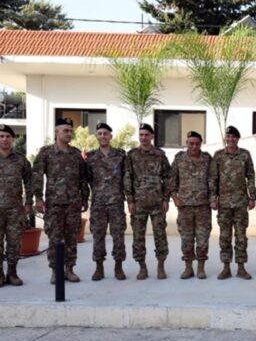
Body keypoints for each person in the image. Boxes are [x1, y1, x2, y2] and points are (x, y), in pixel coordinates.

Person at [33, 117, 89, 284]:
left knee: (72, 238)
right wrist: (38, 198)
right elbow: (37, 176)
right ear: (56, 132)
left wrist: (85, 198)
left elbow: (82, 179)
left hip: (73, 204)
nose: (69, 134)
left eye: (70, 131)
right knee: (55, 238)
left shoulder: (76, 155)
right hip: (54, 204)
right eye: (65, 130)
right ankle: (56, 271)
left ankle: (69, 269)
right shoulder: (46, 153)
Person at [124, 123, 171, 280]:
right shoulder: (132, 155)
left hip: (157, 203)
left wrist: (166, 199)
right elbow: (128, 178)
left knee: (160, 236)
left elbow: (167, 178)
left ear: (152, 136)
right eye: (141, 135)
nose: (143, 138)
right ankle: (142, 267)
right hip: (139, 204)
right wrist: (130, 201)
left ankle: (161, 266)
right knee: (138, 237)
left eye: (146, 135)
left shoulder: (160, 155)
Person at [210, 125, 256, 280]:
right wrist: (213, 198)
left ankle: (241, 267)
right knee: (224, 237)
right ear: (225, 138)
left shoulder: (245, 155)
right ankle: (226, 267)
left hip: (240, 203)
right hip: (224, 204)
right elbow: (213, 179)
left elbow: (251, 176)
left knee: (241, 236)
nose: (230, 139)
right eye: (228, 136)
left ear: (238, 139)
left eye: (233, 137)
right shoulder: (218, 156)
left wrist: (252, 197)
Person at [85, 122, 127, 281]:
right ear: (96, 136)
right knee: (98, 235)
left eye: (106, 133)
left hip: (116, 202)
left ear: (111, 136)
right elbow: (87, 179)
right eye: (100, 134)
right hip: (98, 203)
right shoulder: (90, 157)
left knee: (118, 235)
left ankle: (118, 266)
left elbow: (126, 178)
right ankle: (99, 267)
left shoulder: (120, 155)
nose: (103, 136)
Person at [170, 131, 213, 280]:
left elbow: (212, 180)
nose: (194, 146)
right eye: (191, 143)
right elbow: (172, 181)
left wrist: (213, 199)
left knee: (203, 238)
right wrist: (175, 198)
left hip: (203, 206)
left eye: (197, 143)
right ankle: (188, 268)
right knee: (186, 238)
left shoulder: (207, 159)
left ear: (201, 144)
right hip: (185, 207)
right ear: (186, 143)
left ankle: (201, 268)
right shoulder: (179, 159)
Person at [0, 124, 32, 286]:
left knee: (14, 242)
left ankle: (12, 273)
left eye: (7, 136)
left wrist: (29, 203)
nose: (4, 139)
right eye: (1, 136)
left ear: (13, 139)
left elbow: (29, 182)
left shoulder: (20, 160)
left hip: (15, 209)